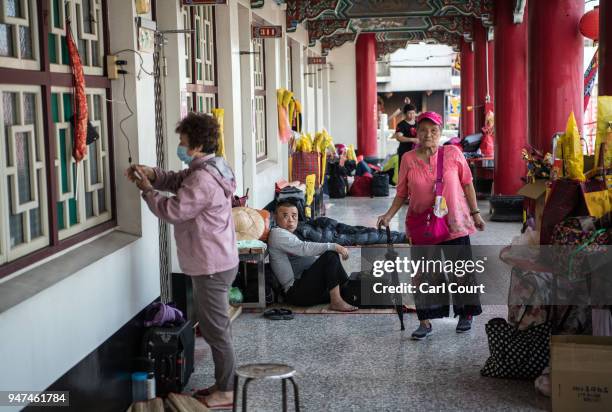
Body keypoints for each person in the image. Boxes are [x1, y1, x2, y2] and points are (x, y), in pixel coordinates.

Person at [126, 112, 238, 409]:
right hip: (218, 258)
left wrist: (148, 192)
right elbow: (178, 180)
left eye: (183, 142)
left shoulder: (202, 177)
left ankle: (227, 389)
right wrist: (153, 173)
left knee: (216, 330)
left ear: (197, 146)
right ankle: (222, 382)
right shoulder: (213, 166)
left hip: (211, 263)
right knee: (217, 327)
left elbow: (174, 210)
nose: (180, 145)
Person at [377, 111, 486, 340]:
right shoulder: (408, 159)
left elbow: (467, 185)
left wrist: (476, 214)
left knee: (460, 271)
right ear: (417, 132)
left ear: (440, 131)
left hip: (454, 222)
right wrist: (388, 215)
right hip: (422, 225)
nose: (428, 135)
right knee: (425, 274)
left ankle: (465, 314)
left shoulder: (453, 153)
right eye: (424, 130)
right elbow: (401, 194)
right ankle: (425, 320)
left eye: (433, 130)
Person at [268, 200, 358, 312]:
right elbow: (303, 248)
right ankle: (336, 301)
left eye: (294, 215)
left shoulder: (289, 233)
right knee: (330, 254)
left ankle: (347, 287)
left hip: (306, 286)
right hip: (296, 292)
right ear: (276, 217)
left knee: (351, 291)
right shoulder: (277, 234)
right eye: (285, 216)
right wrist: (334, 246)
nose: (291, 219)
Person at [393, 104, 419, 171]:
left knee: (415, 172)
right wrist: (412, 139)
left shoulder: (418, 123)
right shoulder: (401, 124)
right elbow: (399, 138)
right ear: (405, 114)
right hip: (404, 152)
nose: (412, 115)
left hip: (416, 151)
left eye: (413, 113)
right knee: (404, 171)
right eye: (409, 113)